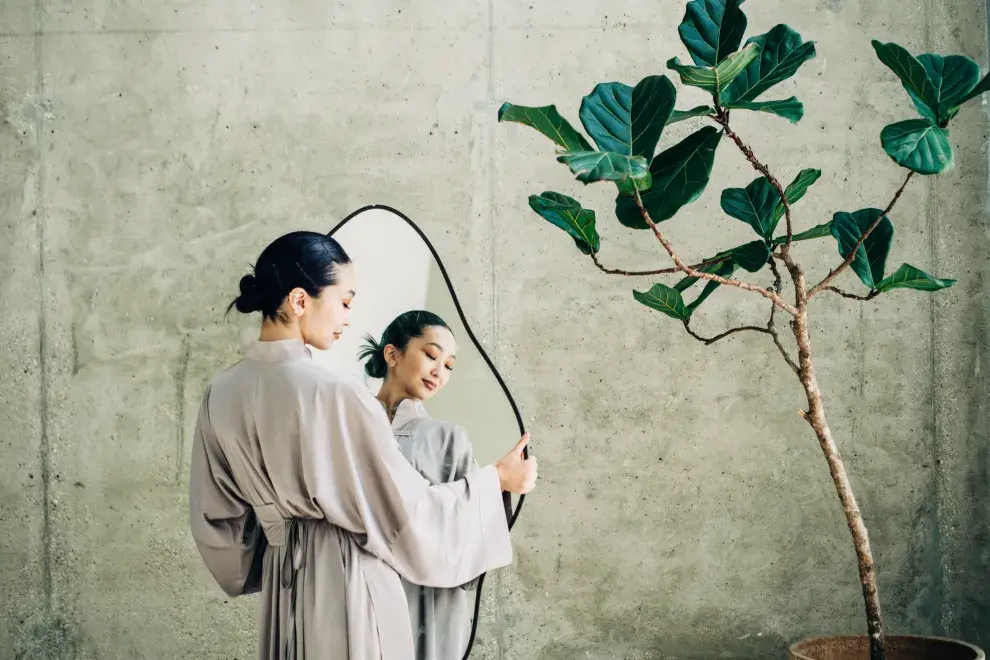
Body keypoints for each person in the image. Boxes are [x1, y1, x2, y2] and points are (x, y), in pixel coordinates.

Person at [187, 231, 538, 660]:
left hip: (285, 587)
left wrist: (278, 544)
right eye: (346, 301)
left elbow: (216, 520)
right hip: (350, 582)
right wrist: (495, 481)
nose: (349, 317)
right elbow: (404, 513)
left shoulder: (221, 392)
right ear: (300, 301)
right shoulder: (336, 393)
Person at [358, 311, 482, 660]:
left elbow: (472, 539)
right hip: (352, 590)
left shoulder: (449, 441)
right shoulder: (345, 424)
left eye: (449, 365)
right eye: (431, 355)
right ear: (393, 354)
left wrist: (496, 485)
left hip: (423, 600)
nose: (439, 372)